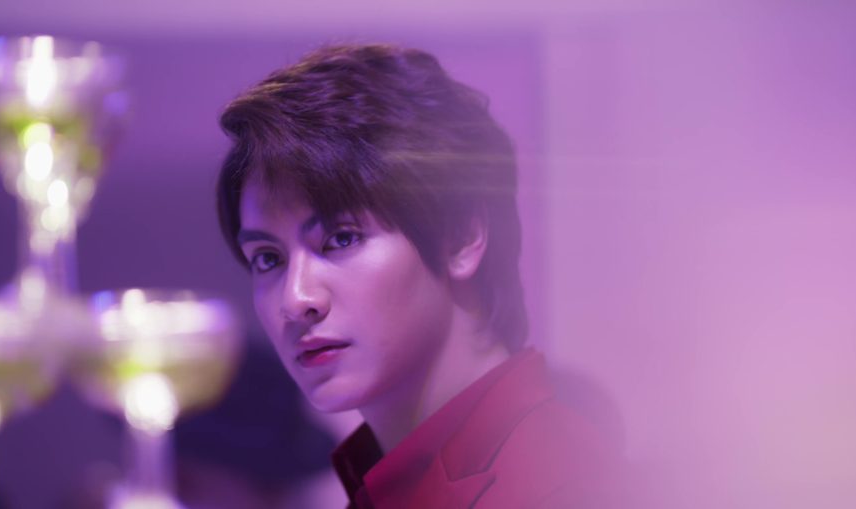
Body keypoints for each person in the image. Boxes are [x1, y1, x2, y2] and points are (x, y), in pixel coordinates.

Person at [215, 43, 628, 508]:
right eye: (268, 259)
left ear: (460, 238)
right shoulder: (394, 484)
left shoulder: (558, 486)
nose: (296, 299)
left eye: (342, 238)